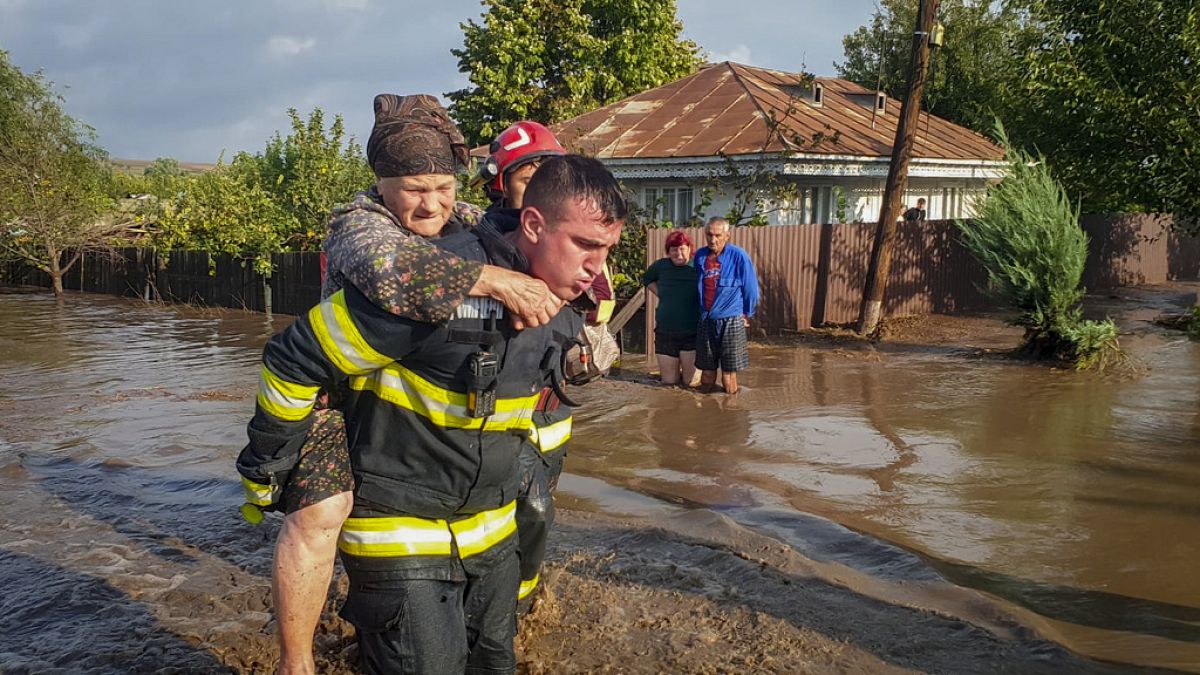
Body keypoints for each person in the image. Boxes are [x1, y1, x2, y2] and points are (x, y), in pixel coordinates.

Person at [239, 154, 626, 674]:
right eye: (586, 245)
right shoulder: (434, 286)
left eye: (606, 250)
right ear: (534, 224)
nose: (597, 268)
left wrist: (579, 363)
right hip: (401, 533)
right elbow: (293, 358)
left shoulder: (562, 296)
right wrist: (269, 464)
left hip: (489, 534)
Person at [476, 120, 616, 612]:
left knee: (537, 510)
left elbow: (599, 304)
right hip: (494, 406)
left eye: (545, 169)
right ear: (502, 181)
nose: (536, 178)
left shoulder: (580, 242)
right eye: (525, 171)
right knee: (507, 509)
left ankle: (519, 594)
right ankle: (495, 603)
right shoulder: (478, 242)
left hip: (549, 406)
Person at [694, 217, 759, 395]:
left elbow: (751, 289)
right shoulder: (700, 256)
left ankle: (730, 415)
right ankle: (705, 412)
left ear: (727, 236)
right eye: (709, 234)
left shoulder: (739, 256)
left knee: (728, 376)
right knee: (706, 373)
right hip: (707, 320)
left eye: (717, 235)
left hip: (731, 320)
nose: (713, 240)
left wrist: (747, 314)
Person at [642, 230, 700, 386]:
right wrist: (662, 293)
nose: (678, 253)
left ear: (689, 248)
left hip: (692, 332)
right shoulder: (661, 266)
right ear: (668, 251)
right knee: (669, 383)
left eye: (682, 248)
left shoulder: (698, 265)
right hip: (665, 332)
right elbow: (646, 279)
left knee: (691, 383)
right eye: (674, 249)